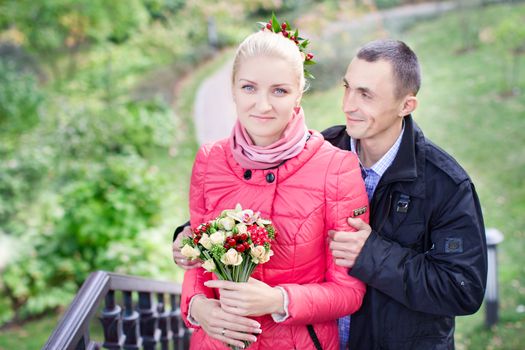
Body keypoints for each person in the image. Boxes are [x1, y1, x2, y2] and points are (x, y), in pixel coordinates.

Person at [178, 22, 370, 350]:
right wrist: (197, 307)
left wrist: (278, 300)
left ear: (298, 93)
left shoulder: (336, 168)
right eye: (249, 88)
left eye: (279, 91)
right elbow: (198, 262)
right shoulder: (210, 160)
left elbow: (349, 293)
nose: (263, 105)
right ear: (234, 89)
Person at [326, 39, 487, 349]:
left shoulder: (447, 185)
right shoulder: (321, 153)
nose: (348, 105)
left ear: (406, 106)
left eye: (366, 95)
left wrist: (370, 255)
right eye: (347, 88)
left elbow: (462, 288)